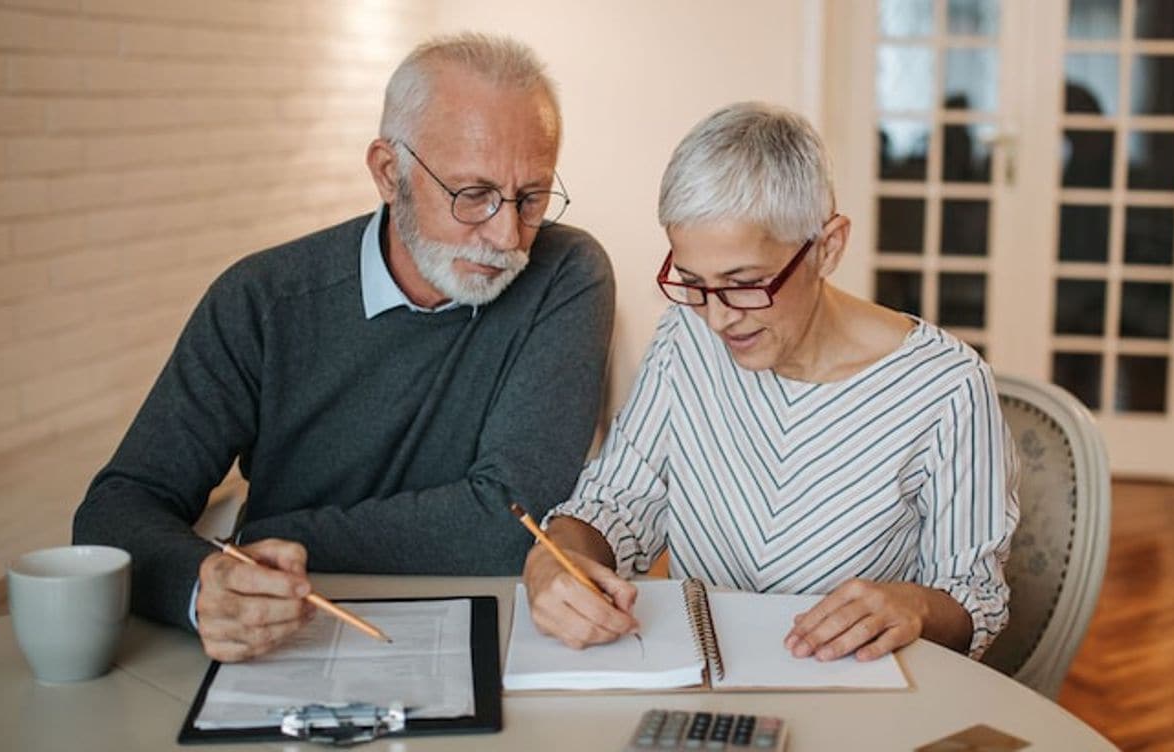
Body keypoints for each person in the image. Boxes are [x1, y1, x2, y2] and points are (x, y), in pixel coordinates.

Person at [73, 33, 614, 662]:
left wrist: (268, 535)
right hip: (287, 644)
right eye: (473, 195)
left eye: (532, 197)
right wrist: (204, 585)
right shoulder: (261, 301)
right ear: (390, 173)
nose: (507, 234)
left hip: (497, 639)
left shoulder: (566, 274)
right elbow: (115, 511)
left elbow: (509, 525)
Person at [523, 102, 1017, 663]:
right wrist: (554, 555)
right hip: (702, 689)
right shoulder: (687, 336)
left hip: (854, 696)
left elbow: (975, 598)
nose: (718, 317)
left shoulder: (947, 388)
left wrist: (917, 607)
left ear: (827, 247)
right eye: (692, 282)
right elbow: (616, 502)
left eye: (745, 283)